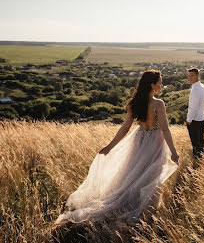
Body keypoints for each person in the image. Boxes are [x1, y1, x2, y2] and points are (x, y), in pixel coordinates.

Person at [55, 70, 179, 224]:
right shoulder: (158, 104)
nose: (162, 85)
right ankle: (146, 213)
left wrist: (109, 147)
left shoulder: (135, 103)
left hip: (139, 142)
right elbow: (165, 129)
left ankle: (136, 207)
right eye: (160, 82)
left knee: (133, 177)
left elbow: (125, 128)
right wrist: (173, 151)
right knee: (152, 179)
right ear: (152, 85)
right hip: (155, 144)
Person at [186, 67, 204, 158]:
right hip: (201, 118)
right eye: (188, 76)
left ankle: (197, 164)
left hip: (195, 120)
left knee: (196, 144)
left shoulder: (195, 89)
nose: (189, 78)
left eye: (191, 76)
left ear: (197, 75)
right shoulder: (202, 87)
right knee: (201, 142)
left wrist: (188, 120)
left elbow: (193, 107)